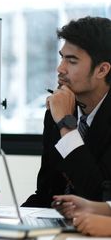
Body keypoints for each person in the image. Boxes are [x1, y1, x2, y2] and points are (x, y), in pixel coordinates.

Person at [23, 16, 111, 207]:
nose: (60, 68)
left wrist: (66, 125)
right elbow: (46, 191)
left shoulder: (61, 114)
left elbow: (101, 198)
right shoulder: (56, 110)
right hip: (60, 223)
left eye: (72, 61)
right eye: (62, 57)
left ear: (102, 70)